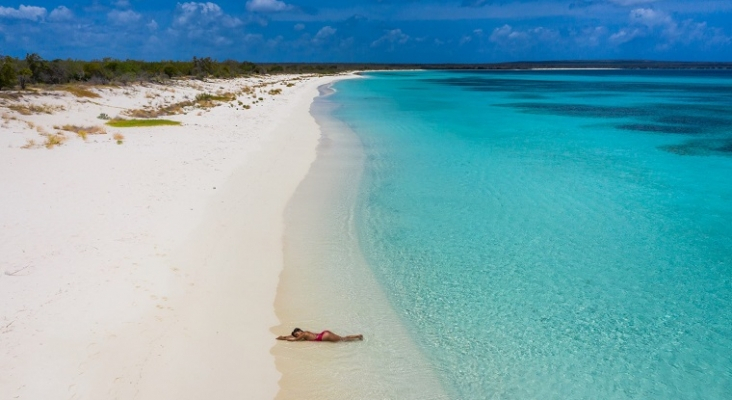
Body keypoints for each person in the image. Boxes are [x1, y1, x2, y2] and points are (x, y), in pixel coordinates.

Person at [276, 328, 363, 342]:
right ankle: (357, 337)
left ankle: (358, 336)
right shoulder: (305, 333)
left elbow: (295, 340)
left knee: (343, 340)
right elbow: (295, 337)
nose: (296, 335)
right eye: (296, 334)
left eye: (296, 333)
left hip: (324, 336)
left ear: (299, 331)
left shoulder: (304, 334)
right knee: (342, 339)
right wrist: (284, 337)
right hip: (324, 334)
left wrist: (284, 339)